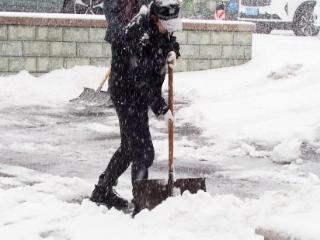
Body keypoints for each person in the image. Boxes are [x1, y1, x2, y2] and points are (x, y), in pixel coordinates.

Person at [90, 0, 182, 210]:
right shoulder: (139, 35)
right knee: (142, 151)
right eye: (167, 24)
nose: (169, 29)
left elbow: (167, 39)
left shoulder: (157, 24)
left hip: (136, 95)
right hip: (127, 95)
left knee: (129, 148)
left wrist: (173, 50)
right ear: (154, 18)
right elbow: (140, 80)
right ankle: (141, 202)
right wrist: (160, 108)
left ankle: (102, 191)